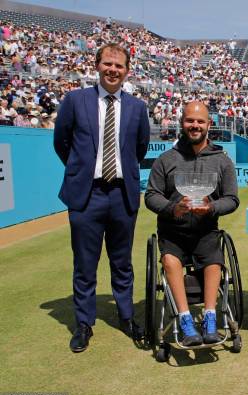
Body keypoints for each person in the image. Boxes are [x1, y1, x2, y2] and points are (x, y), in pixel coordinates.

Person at [53, 43, 150, 353]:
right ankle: (84, 323)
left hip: (122, 194)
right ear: (97, 65)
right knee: (85, 264)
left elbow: (140, 148)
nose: (113, 70)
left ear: (127, 71)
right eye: (108, 63)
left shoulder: (137, 107)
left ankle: (126, 316)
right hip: (87, 194)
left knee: (122, 263)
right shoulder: (75, 100)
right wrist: (82, 171)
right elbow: (62, 143)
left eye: (119, 66)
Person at [145, 101, 239, 345]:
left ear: (209, 124)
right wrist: (171, 208)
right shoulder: (166, 159)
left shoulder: (222, 160)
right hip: (173, 231)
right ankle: (185, 319)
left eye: (200, 121)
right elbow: (151, 195)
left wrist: (212, 208)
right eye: (190, 121)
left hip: (206, 230)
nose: (194, 125)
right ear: (182, 123)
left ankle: (209, 318)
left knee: (214, 260)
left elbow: (232, 199)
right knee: (169, 260)